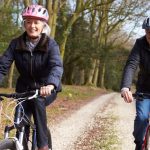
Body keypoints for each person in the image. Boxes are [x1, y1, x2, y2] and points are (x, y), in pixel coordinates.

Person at [0, 4, 63, 150]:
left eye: (36, 22)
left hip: (46, 88)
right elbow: (2, 66)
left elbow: (56, 66)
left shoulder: (51, 44)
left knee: (38, 101)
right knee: (20, 119)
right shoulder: (16, 44)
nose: (32, 26)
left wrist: (51, 84)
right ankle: (20, 144)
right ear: (24, 24)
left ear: (43, 25)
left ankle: (43, 145)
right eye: (28, 22)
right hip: (24, 89)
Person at [121, 17, 150, 150]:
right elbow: (131, 65)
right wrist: (125, 87)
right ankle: (139, 142)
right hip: (144, 89)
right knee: (142, 118)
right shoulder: (140, 43)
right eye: (148, 32)